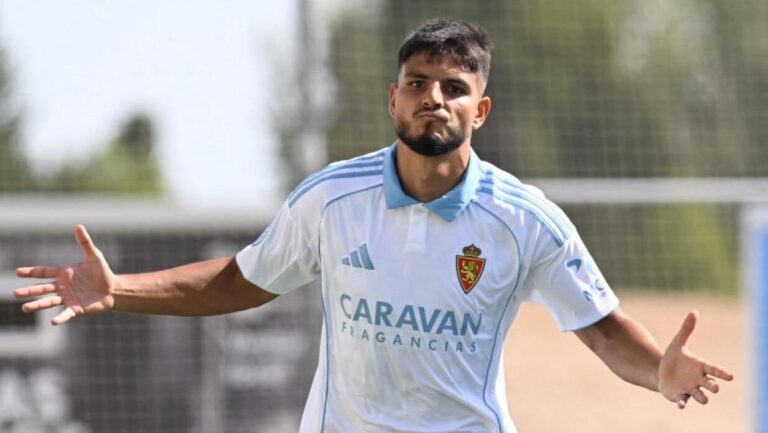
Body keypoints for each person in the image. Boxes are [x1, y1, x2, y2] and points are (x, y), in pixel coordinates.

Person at [13, 18, 733, 433]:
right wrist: (121, 287)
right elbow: (241, 279)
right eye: (419, 84)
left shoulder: (523, 219)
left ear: (480, 111)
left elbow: (603, 327)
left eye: (455, 88)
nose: (435, 99)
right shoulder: (332, 198)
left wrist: (658, 372)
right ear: (393, 100)